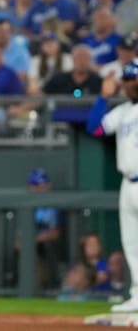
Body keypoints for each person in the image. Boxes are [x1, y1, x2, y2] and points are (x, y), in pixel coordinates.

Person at [87, 59, 138, 312]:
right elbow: (95, 128)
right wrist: (103, 97)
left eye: (134, 79)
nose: (131, 84)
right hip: (127, 183)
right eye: (128, 80)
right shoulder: (125, 112)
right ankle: (137, 295)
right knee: (131, 241)